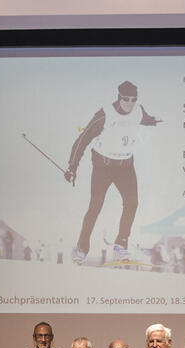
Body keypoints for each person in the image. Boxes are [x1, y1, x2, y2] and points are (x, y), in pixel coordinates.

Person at [66, 80, 161, 264]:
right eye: (126, 99)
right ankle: (81, 248)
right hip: (103, 166)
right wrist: (72, 167)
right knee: (96, 206)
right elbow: (82, 139)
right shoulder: (104, 115)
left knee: (132, 203)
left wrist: (152, 121)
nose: (130, 103)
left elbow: (144, 118)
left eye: (134, 99)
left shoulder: (138, 110)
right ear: (119, 98)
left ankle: (121, 245)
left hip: (125, 166)